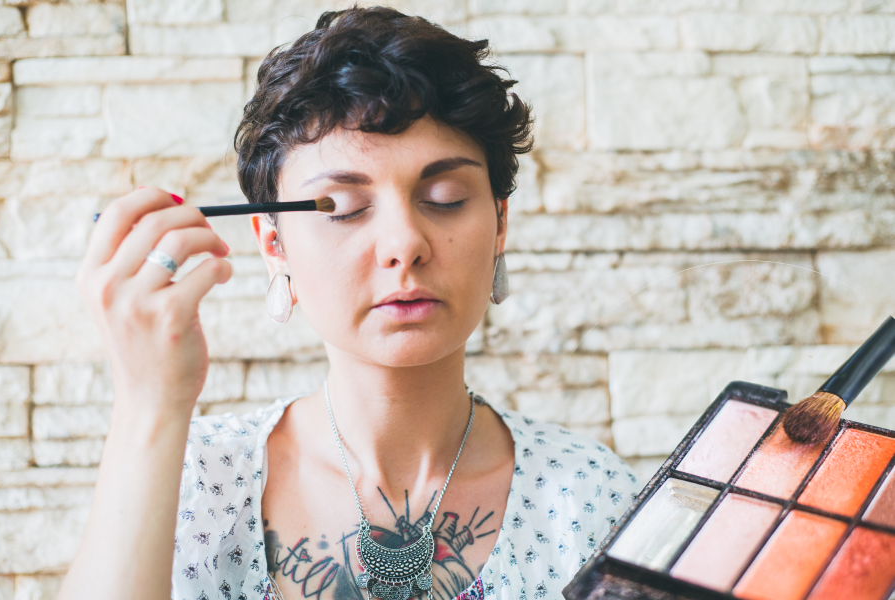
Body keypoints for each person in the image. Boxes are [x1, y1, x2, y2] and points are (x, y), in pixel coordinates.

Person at [59, 7, 638, 600]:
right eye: (342, 207)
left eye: (444, 196)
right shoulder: (193, 481)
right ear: (274, 245)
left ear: (499, 224)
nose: (404, 244)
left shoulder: (592, 500)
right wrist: (150, 400)